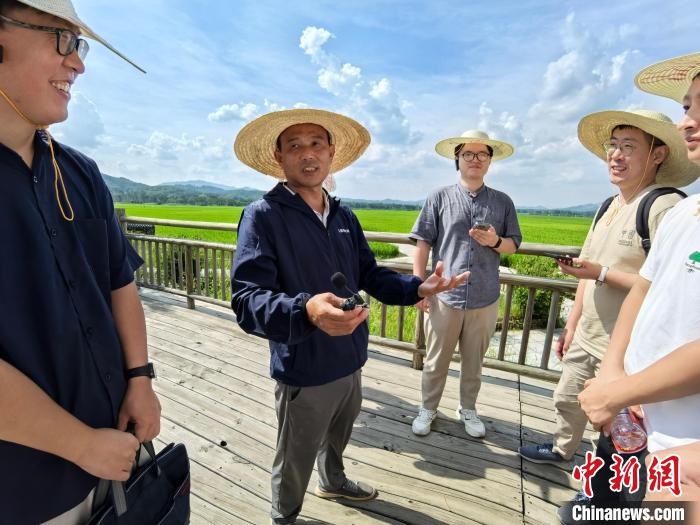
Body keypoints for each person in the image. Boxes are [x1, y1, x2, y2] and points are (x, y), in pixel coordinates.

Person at [230, 108, 469, 525]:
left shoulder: (344, 216)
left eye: (316, 143)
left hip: (351, 357)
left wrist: (418, 287)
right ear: (279, 157)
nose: (308, 154)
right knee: (295, 452)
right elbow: (247, 299)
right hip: (304, 364)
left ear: (332, 152)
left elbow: (369, 274)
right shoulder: (263, 216)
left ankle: (334, 479)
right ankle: (284, 514)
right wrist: (305, 309)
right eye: (295, 146)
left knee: (338, 436)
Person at [0, 1, 159, 524]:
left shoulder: (80, 173)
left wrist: (139, 379)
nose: (79, 64)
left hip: (112, 451)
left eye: (79, 45)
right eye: (62, 40)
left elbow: (119, 282)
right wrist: (79, 444)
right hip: (22, 487)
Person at [519, 109, 700, 467]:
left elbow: (663, 288)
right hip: (589, 334)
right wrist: (571, 325)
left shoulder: (665, 206)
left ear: (658, 154)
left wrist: (602, 273)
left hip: (626, 346)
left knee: (618, 428)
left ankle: (602, 486)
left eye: (628, 146)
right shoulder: (609, 205)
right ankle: (561, 449)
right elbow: (590, 267)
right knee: (568, 398)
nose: (616, 155)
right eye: (613, 145)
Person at [578, 52, 700, 508]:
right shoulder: (686, 214)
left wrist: (620, 389)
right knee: (613, 500)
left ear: (656, 155)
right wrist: (617, 374)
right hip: (638, 415)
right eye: (688, 106)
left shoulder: (664, 205)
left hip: (684, 446)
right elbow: (646, 290)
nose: (687, 121)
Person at [409, 130, 521, 438]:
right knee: (435, 360)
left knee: (474, 363)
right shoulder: (439, 197)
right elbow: (423, 243)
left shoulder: (502, 202)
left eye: (482, 155)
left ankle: (467, 409)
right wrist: (420, 286)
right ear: (457, 160)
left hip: (485, 296)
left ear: (490, 162)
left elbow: (513, 245)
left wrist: (495, 240)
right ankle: (428, 408)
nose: (475, 160)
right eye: (468, 154)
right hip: (445, 295)